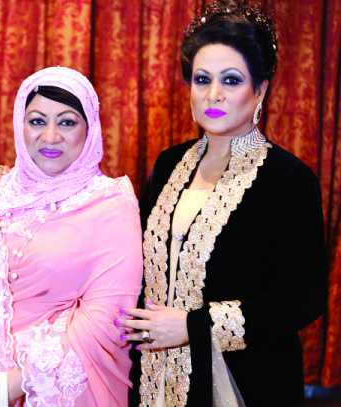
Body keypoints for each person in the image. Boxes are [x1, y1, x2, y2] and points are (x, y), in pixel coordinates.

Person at [115, 1, 328, 406]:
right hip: (156, 375)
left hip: (245, 377)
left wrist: (192, 326)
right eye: (202, 79)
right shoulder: (170, 163)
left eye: (231, 80)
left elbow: (302, 299)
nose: (214, 94)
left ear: (260, 90)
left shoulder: (288, 180)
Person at [0, 66, 143, 406]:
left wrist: (4, 388)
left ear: (90, 128)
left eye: (67, 122)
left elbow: (106, 320)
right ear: (20, 124)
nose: (50, 137)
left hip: (54, 392)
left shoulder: (110, 204)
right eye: (37, 121)